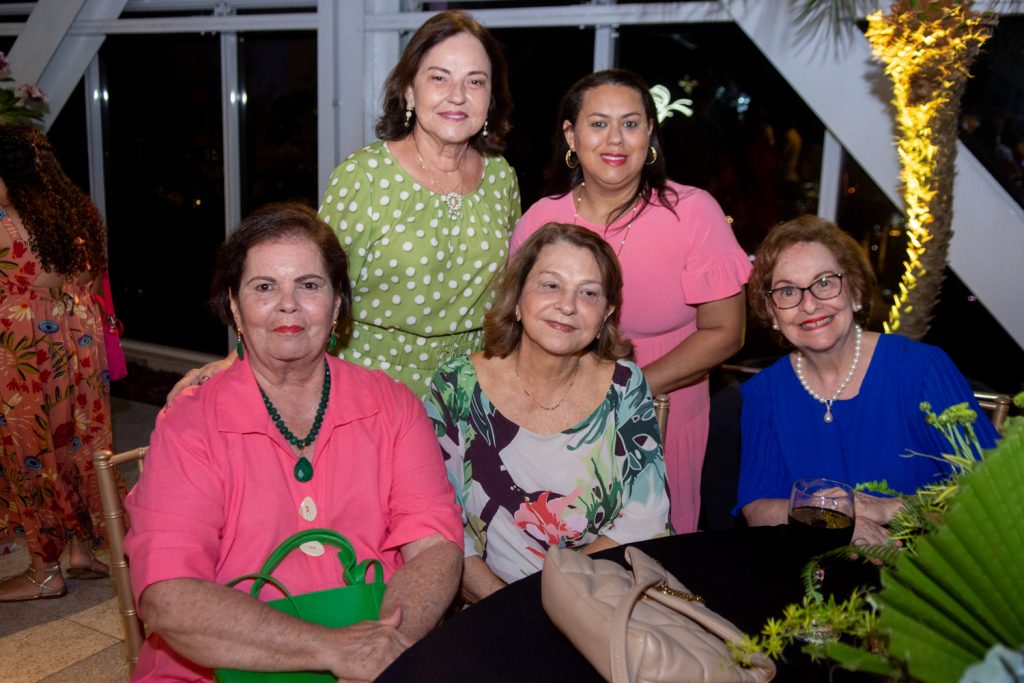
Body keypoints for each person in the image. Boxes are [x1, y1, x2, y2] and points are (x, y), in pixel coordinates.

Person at [124, 203, 463, 681]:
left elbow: (434, 548)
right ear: (235, 307)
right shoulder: (190, 424)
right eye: (264, 287)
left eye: (309, 285)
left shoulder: (393, 406)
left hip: (380, 648)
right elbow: (169, 597)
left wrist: (385, 646)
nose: (288, 304)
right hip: (223, 662)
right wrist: (333, 649)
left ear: (337, 304)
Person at [170, 10, 520, 402]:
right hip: (370, 386)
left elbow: (510, 290)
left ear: (491, 98)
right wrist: (241, 358)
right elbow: (310, 283)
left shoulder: (501, 178)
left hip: (469, 388)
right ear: (409, 90)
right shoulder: (364, 179)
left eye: (475, 81)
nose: (457, 95)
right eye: (439, 78)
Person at [511, 70, 750, 534]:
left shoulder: (692, 212)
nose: (615, 139)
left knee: (650, 551)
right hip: (557, 414)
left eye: (631, 123)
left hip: (664, 407)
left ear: (650, 134)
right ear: (571, 135)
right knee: (554, 543)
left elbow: (726, 331)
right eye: (599, 123)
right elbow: (516, 323)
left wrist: (626, 394)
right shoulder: (542, 219)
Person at [426, 223, 671, 604]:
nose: (567, 306)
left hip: (598, 603)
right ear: (518, 297)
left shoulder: (624, 386)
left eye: (588, 293)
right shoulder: (456, 386)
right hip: (486, 607)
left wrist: (551, 600)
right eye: (551, 285)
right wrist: (509, 609)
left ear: (606, 313)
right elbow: (438, 523)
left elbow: (646, 518)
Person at [736, 215, 999, 545]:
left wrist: (889, 509)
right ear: (772, 312)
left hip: (923, 563)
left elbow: (994, 497)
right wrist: (832, 523)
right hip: (810, 566)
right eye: (788, 291)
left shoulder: (921, 370)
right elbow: (756, 509)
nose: (809, 304)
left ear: (856, 291)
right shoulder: (764, 392)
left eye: (825, 283)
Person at [0, 125, 116, 602]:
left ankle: (44, 571)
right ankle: (84, 552)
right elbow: (91, 283)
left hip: (24, 355)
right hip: (78, 348)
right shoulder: (76, 215)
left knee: (29, 452)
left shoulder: (5, 223)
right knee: (77, 444)